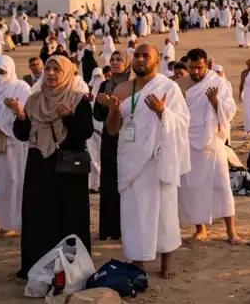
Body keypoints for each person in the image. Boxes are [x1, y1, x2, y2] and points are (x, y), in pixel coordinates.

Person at [99, 44, 191, 278]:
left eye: (145, 56)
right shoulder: (121, 90)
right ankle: (137, 259)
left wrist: (163, 112)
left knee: (165, 210)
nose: (140, 60)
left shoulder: (169, 88)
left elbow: (182, 122)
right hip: (131, 157)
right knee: (134, 211)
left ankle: (167, 260)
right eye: (137, 56)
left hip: (159, 158)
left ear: (156, 59)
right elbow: (112, 130)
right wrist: (112, 110)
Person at [7, 55, 94, 279]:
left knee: (69, 218)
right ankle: (36, 266)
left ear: (66, 73)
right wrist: (20, 116)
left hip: (67, 170)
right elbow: (23, 134)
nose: (52, 73)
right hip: (39, 167)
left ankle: (70, 269)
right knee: (39, 217)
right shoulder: (34, 100)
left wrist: (67, 118)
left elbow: (84, 133)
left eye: (57, 69)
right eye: (48, 68)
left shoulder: (78, 99)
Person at [177, 48, 240, 244]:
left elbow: (230, 110)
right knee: (193, 186)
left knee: (221, 186)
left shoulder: (218, 83)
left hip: (213, 142)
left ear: (208, 65)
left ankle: (231, 232)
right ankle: (200, 229)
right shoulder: (180, 85)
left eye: (199, 68)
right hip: (189, 141)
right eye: (192, 68)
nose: (195, 72)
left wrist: (215, 102)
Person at [0, 55, 32, 238]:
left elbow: (27, 113)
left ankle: (19, 222)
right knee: (0, 186)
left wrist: (14, 110)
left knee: (16, 182)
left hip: (15, 142)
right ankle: (5, 223)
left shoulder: (20, 87)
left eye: (3, 72)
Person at [93, 50, 131, 240]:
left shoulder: (134, 85)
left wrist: (116, 107)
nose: (115, 63)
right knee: (109, 183)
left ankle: (128, 227)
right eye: (113, 60)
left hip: (130, 138)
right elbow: (97, 116)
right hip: (110, 139)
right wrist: (103, 105)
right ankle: (110, 229)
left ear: (127, 63)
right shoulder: (104, 85)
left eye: (119, 60)